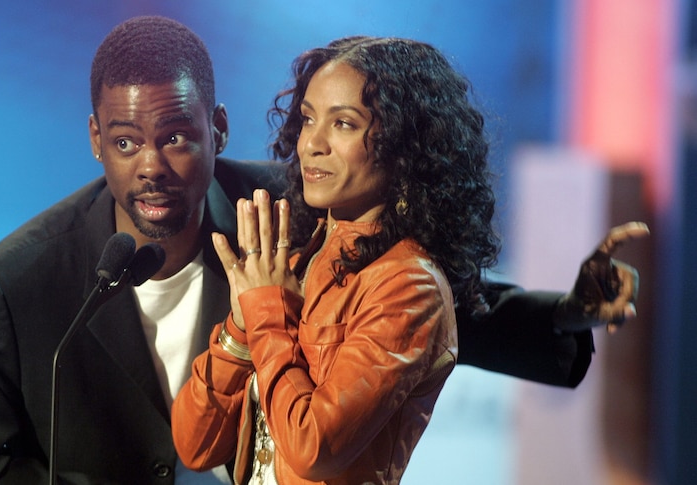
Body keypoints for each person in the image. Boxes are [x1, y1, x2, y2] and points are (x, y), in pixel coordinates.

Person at [0, 15, 648, 485]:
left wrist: (567, 314)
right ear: (95, 140)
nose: (151, 166)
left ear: (219, 128)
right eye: (126, 142)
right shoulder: (14, 285)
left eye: (176, 137)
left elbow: (427, 298)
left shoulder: (288, 212)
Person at [171, 35, 501, 484]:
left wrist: (267, 314)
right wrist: (241, 326)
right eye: (308, 119)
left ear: (405, 146)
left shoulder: (408, 285)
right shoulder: (299, 259)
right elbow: (196, 445)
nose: (312, 144)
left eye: (343, 124)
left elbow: (313, 449)